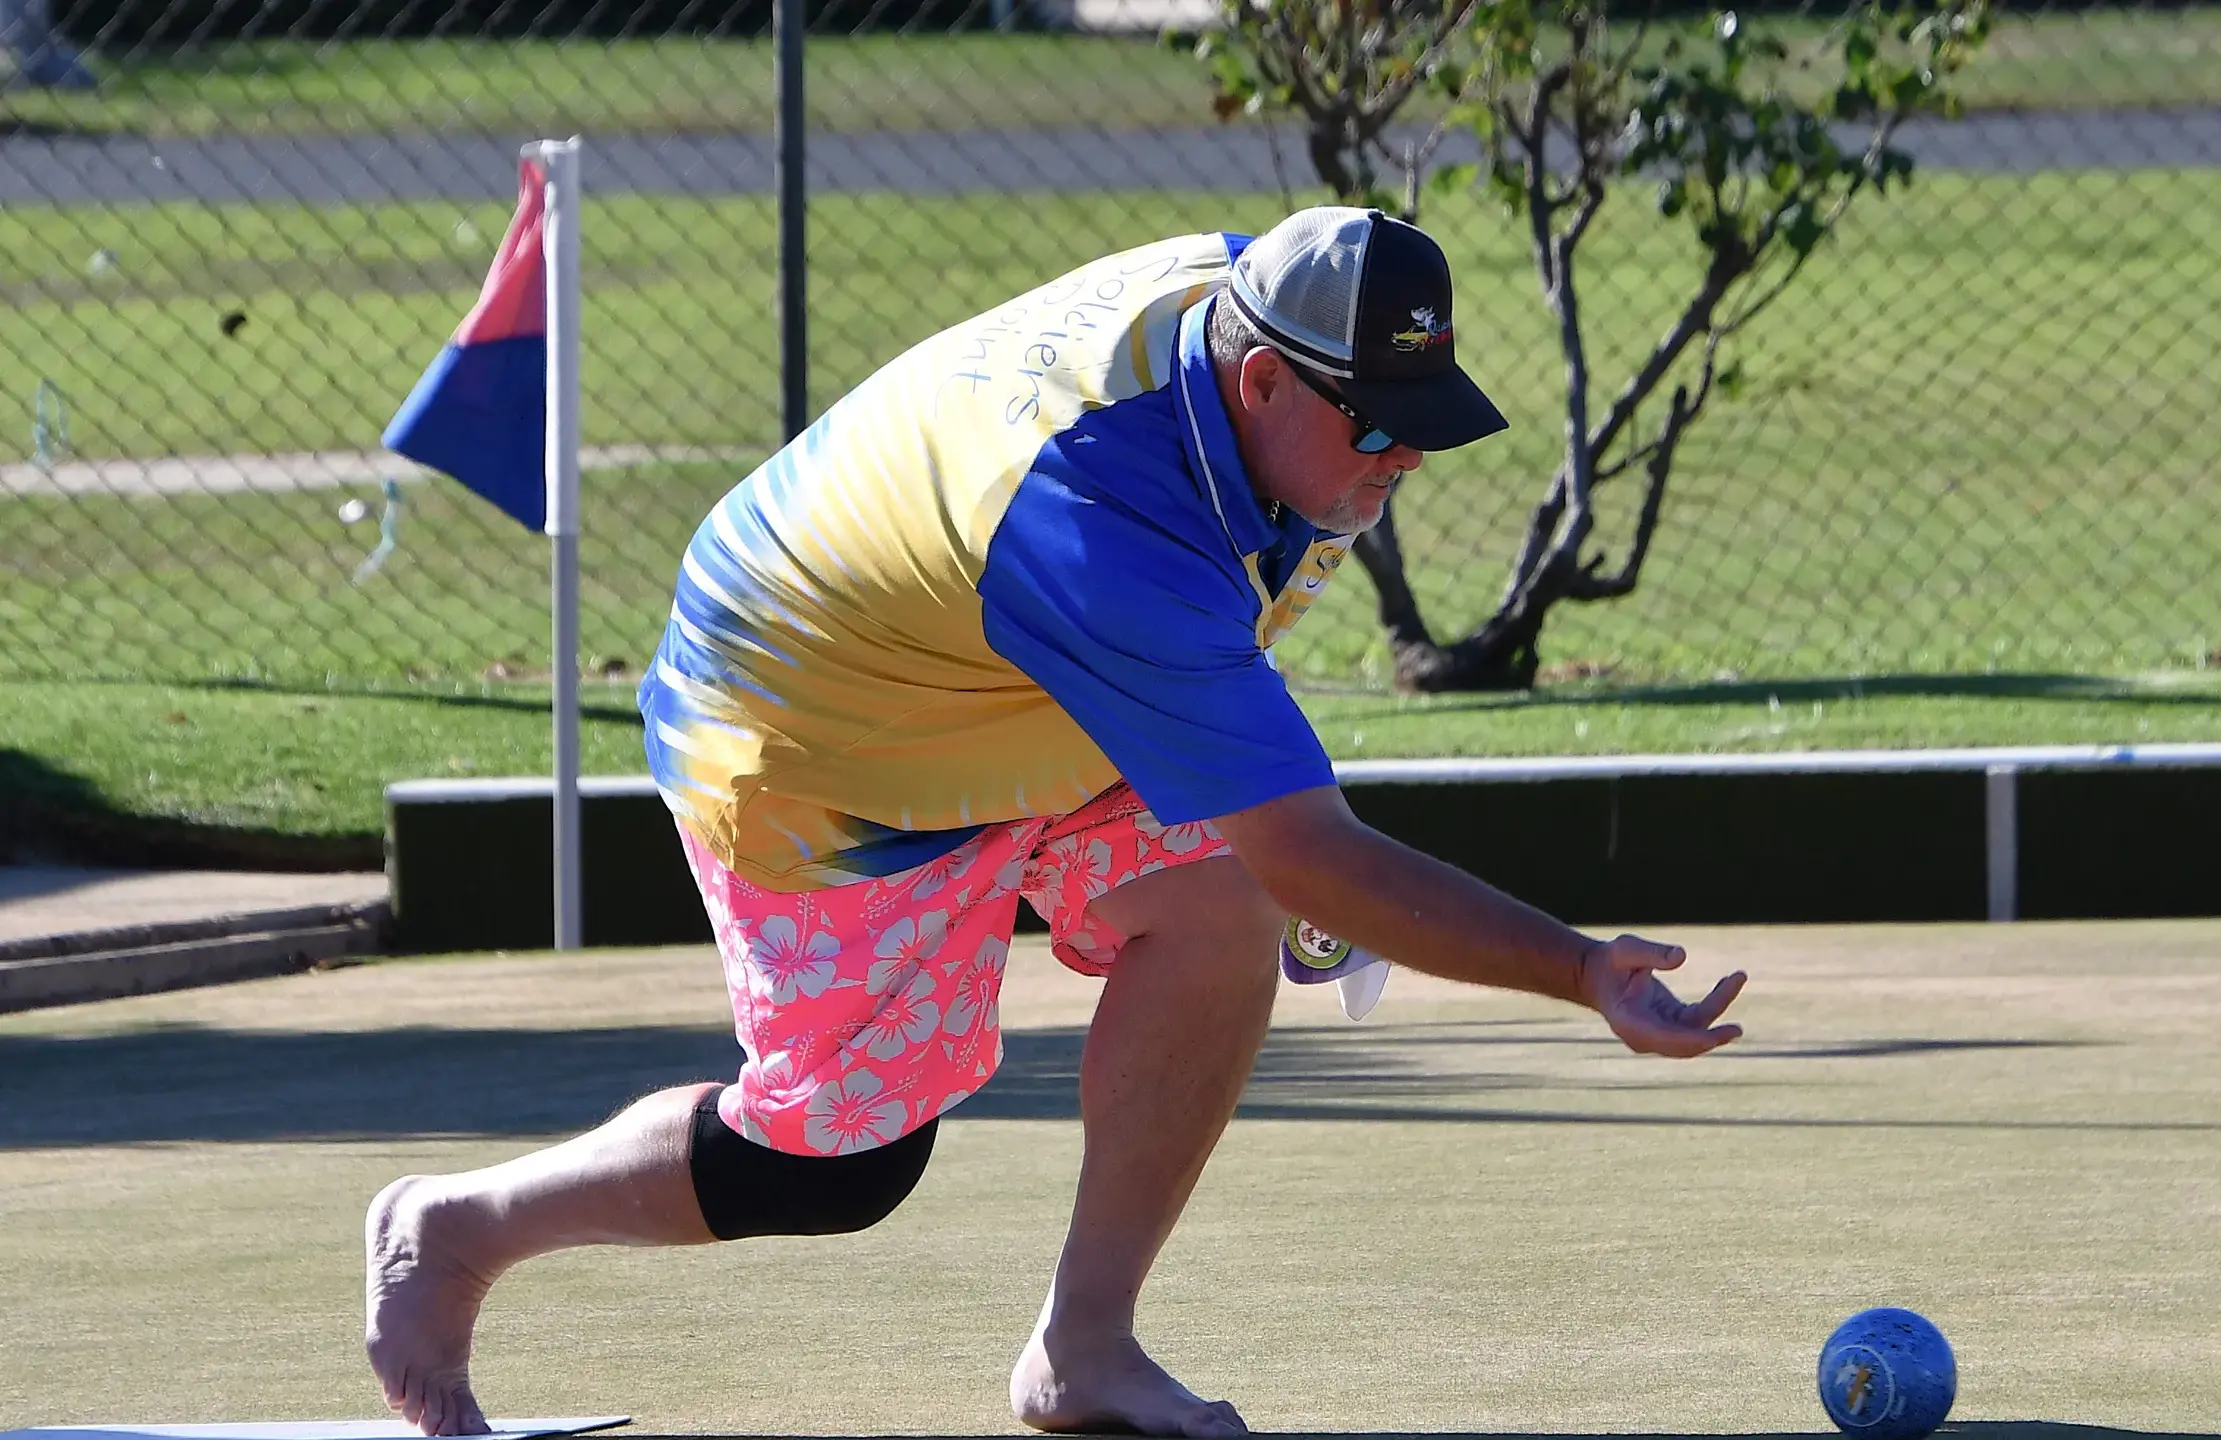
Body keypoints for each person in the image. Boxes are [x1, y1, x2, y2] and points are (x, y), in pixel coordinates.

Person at [361, 206, 1749, 1439]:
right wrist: (1576, 970)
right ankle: (459, 1229)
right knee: (836, 1167)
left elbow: (1251, 726)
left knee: (1224, 905)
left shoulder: (1258, 332)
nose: (1408, 458)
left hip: (1014, 659)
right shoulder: (1103, 510)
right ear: (1261, 377)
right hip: (819, 715)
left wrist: (1288, 851)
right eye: (1378, 425)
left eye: (1425, 420)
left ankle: (1082, 1349)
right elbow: (1303, 829)